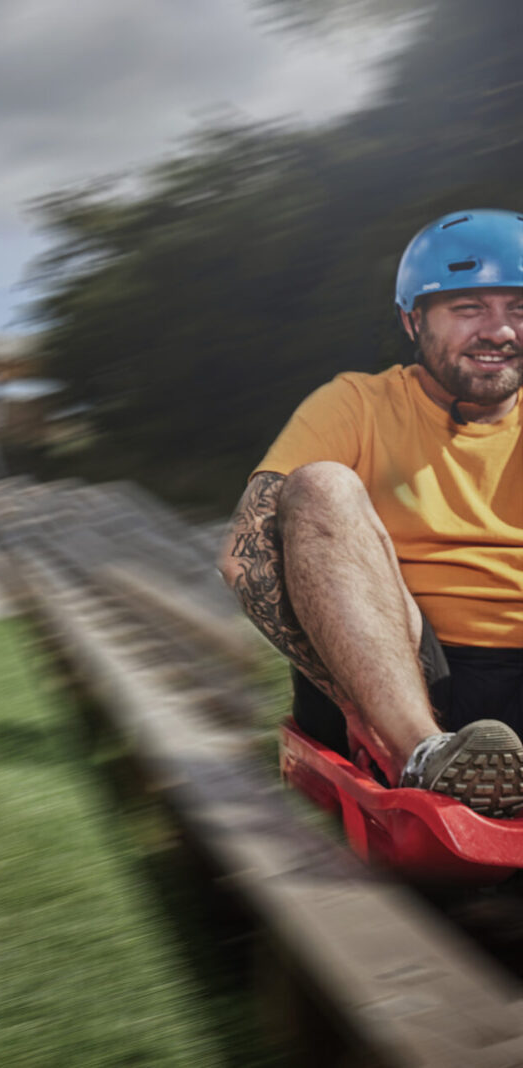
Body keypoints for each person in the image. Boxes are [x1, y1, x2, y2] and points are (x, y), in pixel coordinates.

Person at [219, 208, 523, 817]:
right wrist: (354, 694)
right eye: (469, 310)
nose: (501, 331)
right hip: (399, 673)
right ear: (413, 320)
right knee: (321, 485)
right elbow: (242, 557)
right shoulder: (356, 403)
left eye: (518, 308)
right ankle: (426, 758)